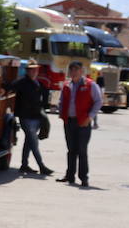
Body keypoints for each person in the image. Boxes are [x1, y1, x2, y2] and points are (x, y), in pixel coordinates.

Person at [56, 60, 101, 188]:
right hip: (69, 121)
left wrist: (90, 117)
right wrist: (61, 111)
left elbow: (98, 102)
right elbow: (61, 100)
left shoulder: (90, 85)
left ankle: (84, 178)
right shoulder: (66, 85)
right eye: (72, 69)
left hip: (83, 122)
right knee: (71, 150)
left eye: (76, 69)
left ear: (82, 71)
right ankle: (70, 176)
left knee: (82, 150)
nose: (74, 72)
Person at [10, 60, 53, 176]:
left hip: (36, 117)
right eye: (32, 69)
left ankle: (24, 165)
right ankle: (41, 166)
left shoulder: (38, 83)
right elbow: (9, 87)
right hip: (26, 118)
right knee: (34, 143)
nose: (34, 72)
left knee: (29, 142)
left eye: (36, 69)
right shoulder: (21, 82)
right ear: (27, 71)